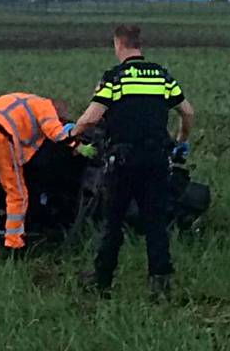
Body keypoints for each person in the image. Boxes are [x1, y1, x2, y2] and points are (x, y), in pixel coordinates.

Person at [71, 24, 195, 298]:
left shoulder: (115, 77)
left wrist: (73, 132)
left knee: (112, 222)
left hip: (123, 162)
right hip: (157, 161)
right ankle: (160, 284)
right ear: (140, 44)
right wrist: (181, 142)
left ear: (118, 44)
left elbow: (91, 118)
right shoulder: (161, 76)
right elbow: (187, 112)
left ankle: (101, 281)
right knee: (155, 222)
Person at [0, 93, 88, 249]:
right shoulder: (46, 107)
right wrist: (78, 147)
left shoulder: (25, 100)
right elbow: (57, 134)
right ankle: (14, 241)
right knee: (17, 193)